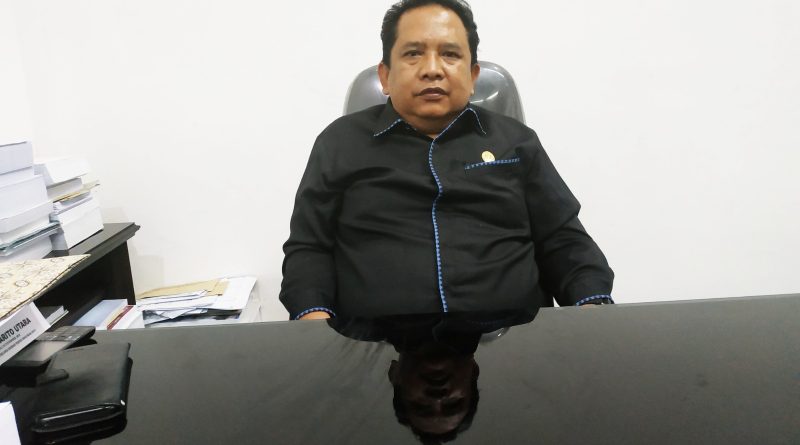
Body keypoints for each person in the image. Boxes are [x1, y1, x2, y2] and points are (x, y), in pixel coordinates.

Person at [280, 0, 614, 321]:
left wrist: (592, 306)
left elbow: (563, 240)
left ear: (473, 76)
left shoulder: (516, 142)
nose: (432, 70)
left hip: (513, 340)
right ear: (385, 76)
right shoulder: (341, 143)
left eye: (450, 54)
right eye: (413, 53)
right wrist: (315, 320)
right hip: (374, 346)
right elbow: (309, 248)